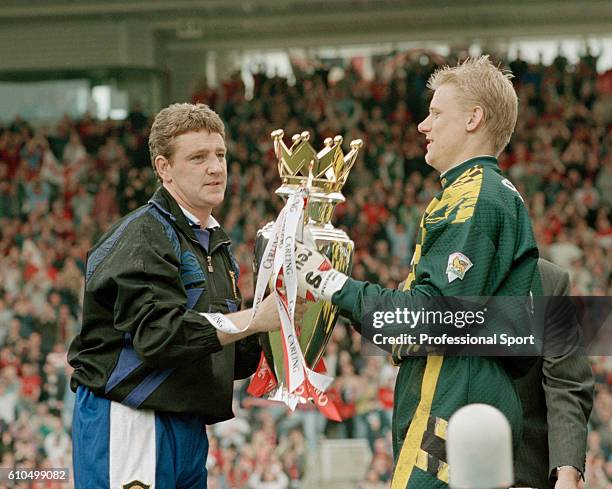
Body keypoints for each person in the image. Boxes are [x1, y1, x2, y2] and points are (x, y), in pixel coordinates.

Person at [293, 56, 539, 488]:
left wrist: (329, 282)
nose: (424, 125)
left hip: (450, 393)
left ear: (473, 119)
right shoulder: (477, 193)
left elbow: (435, 317)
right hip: (461, 391)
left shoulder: (474, 199)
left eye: (436, 113)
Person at [68, 103, 284, 489]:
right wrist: (253, 319)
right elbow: (160, 338)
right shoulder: (143, 235)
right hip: (133, 415)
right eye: (198, 157)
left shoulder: (215, 243)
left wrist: (285, 319)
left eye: (220, 154)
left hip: (187, 423)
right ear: (163, 167)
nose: (216, 167)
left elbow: (225, 357)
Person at [514, 258, 594, 489]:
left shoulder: (546, 279)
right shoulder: (430, 272)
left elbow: (566, 384)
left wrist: (567, 470)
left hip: (524, 474)